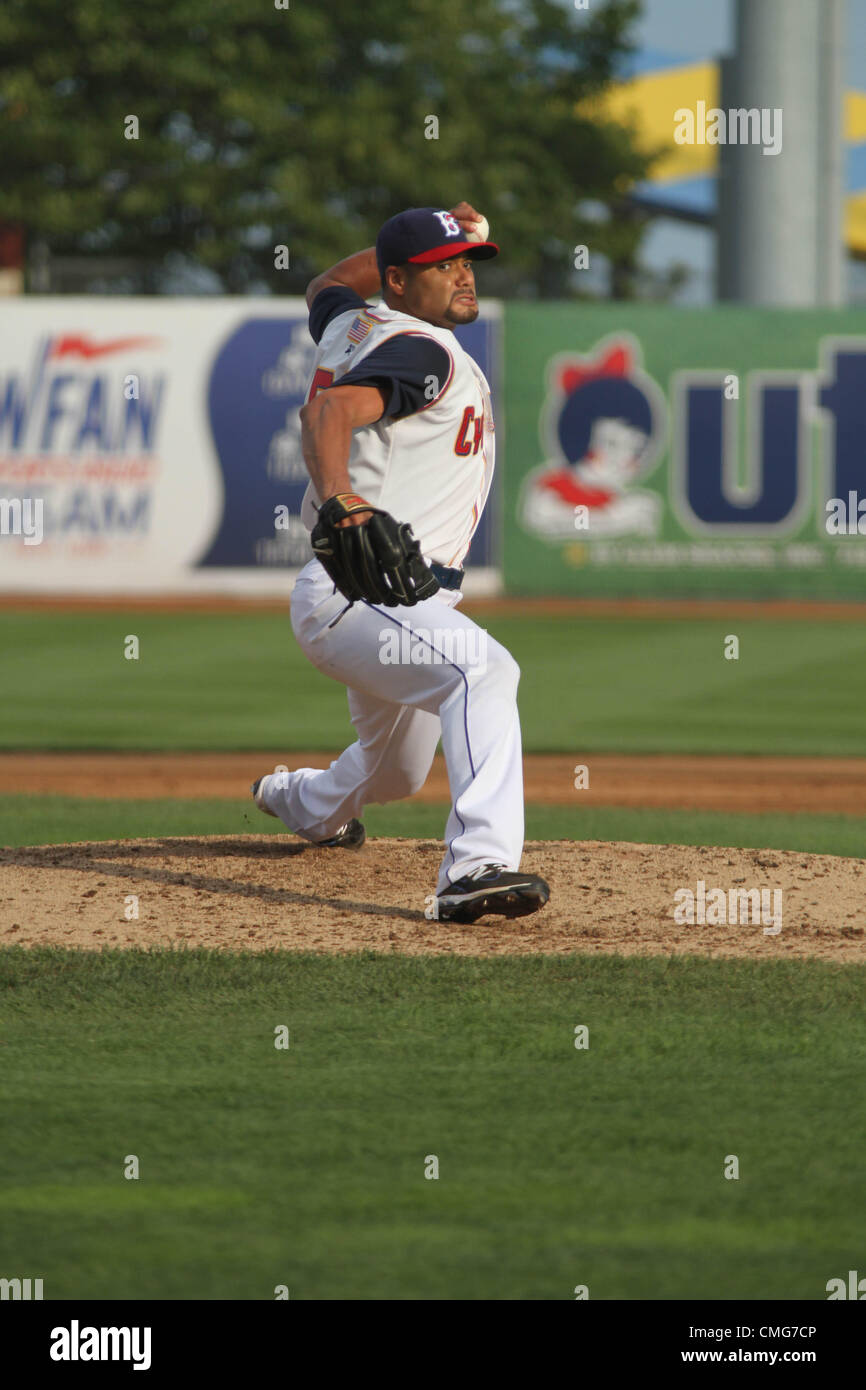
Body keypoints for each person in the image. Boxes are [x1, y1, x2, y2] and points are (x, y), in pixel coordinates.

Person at [252, 203, 549, 925]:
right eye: (441, 267)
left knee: (395, 774)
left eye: (466, 263)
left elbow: (327, 282)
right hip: (362, 591)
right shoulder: (425, 351)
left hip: (400, 600)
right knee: (484, 670)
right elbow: (326, 417)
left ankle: (304, 804)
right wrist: (343, 503)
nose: (462, 276)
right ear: (398, 282)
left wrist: (444, 226)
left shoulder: (352, 325)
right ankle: (476, 865)